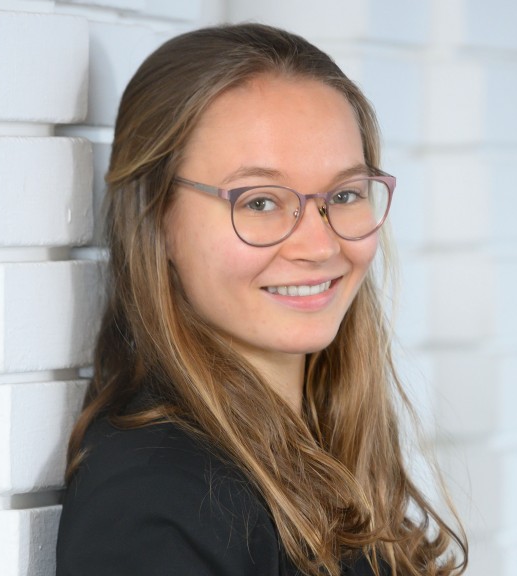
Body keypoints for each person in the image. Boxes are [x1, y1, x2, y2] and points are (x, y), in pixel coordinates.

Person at [55, 23, 467, 576]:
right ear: (156, 218)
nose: (320, 245)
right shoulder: (154, 505)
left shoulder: (321, 456)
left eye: (345, 194)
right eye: (260, 202)